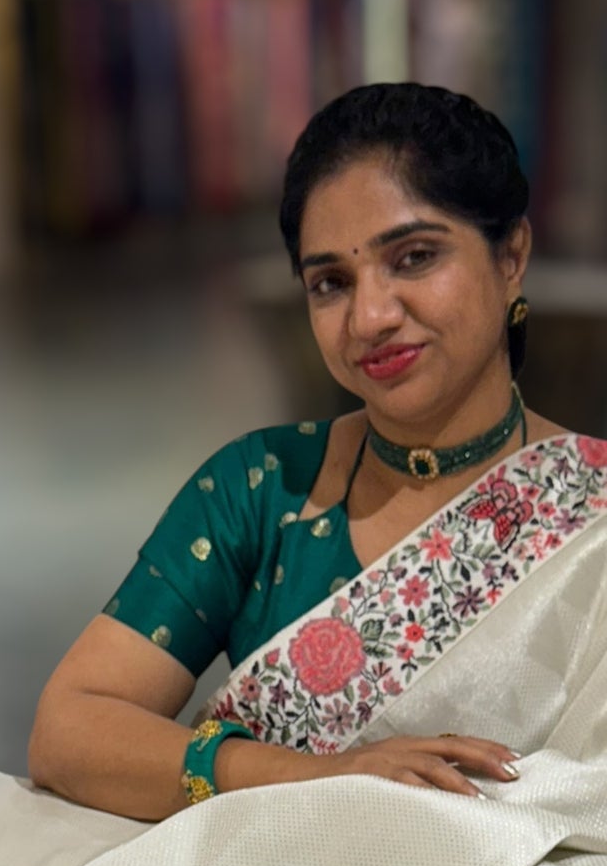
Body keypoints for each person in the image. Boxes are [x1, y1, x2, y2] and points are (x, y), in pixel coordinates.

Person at [29, 83, 555, 818]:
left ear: (512, 256)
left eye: (413, 257)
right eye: (331, 282)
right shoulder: (263, 491)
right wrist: (312, 778)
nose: (370, 317)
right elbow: (68, 729)